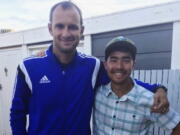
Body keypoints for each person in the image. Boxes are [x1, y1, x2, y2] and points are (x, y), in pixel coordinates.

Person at [10, 1, 169, 135]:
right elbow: (17, 114)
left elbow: (123, 80)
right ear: (51, 28)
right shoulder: (29, 67)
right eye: (60, 26)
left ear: (82, 30)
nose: (66, 33)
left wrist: (158, 88)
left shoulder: (92, 66)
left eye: (72, 27)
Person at [93, 36, 180, 135]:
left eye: (126, 60)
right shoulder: (96, 92)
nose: (119, 66)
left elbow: (177, 127)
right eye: (114, 60)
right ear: (105, 65)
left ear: (133, 64)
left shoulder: (150, 100)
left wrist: (160, 89)